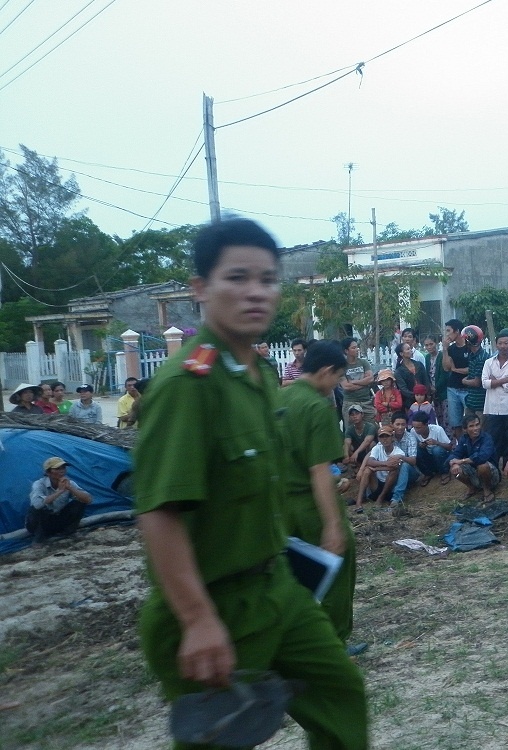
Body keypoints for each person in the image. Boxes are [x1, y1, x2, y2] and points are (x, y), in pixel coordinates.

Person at [132, 217, 367, 750]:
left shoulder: (257, 377)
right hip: (217, 602)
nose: (256, 292)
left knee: (340, 695)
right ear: (200, 288)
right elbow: (159, 512)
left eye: (267, 279)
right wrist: (197, 618)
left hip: (276, 586)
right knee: (220, 740)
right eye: (237, 277)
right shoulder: (187, 385)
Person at [276, 339, 361, 650]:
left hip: (279, 505)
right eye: (338, 377)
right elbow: (319, 471)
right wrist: (333, 525)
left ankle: (296, 641)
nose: (337, 384)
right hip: (311, 505)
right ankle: (334, 644)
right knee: (335, 568)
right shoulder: (316, 407)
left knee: (293, 576)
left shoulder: (278, 399)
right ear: (326, 371)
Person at [482, 328, 508, 470]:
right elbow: (484, 383)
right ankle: (493, 467)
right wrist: (504, 380)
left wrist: (495, 381)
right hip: (493, 407)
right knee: (493, 438)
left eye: (506, 343)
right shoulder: (488, 363)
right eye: (500, 343)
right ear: (496, 344)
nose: (503, 346)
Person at [26, 456, 93, 542]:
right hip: (39, 523)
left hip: (57, 519)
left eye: (63, 468)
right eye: (57, 469)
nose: (62, 471)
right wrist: (59, 491)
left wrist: (70, 488)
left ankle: (69, 532)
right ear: (48, 472)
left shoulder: (68, 483)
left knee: (79, 502)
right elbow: (37, 505)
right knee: (38, 509)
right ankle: (38, 539)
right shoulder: (39, 484)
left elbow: (88, 500)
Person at [448, 413, 500, 502]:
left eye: (477, 425)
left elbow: (482, 457)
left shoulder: (487, 438)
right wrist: (454, 463)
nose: (476, 428)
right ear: (465, 429)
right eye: (471, 426)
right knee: (454, 469)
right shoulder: (464, 439)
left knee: (482, 466)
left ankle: (487, 490)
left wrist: (462, 461)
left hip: (491, 475)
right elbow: (455, 454)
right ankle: (471, 488)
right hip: (474, 472)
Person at [442, 318, 470, 441]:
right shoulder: (451, 348)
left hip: (468, 388)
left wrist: (456, 369)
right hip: (453, 388)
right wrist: (445, 349)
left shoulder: (469, 347)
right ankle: (461, 446)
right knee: (455, 422)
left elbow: (471, 369)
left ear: (457, 331)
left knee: (470, 421)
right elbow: (446, 367)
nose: (447, 334)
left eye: (449, 331)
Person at [387, 411, 420, 510]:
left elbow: (413, 461)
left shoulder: (410, 437)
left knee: (405, 465)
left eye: (403, 424)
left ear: (406, 425)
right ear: (392, 424)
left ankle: (396, 498)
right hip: (393, 470)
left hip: (411, 472)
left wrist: (400, 457)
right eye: (397, 424)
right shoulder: (388, 436)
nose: (400, 427)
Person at [410, 411, 454, 486]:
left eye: (418, 427)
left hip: (442, 458)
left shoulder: (437, 429)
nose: (416, 430)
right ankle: (427, 473)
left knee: (436, 450)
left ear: (426, 424)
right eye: (414, 427)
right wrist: (420, 445)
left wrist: (437, 443)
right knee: (416, 450)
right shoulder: (413, 431)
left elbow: (450, 447)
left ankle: (445, 472)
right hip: (429, 458)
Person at [340, 337, 376, 423]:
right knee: (351, 428)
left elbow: (371, 379)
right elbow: (346, 386)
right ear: (346, 351)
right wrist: (364, 383)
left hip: (366, 402)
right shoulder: (342, 366)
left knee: (371, 427)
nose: (357, 349)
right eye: (353, 348)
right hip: (350, 402)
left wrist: (354, 382)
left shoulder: (364, 362)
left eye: (357, 347)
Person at [461, 325, 489, 420]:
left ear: (468, 341)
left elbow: (477, 382)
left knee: (480, 427)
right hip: (471, 402)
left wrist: (464, 381)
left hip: (479, 404)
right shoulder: (473, 355)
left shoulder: (481, 358)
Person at [394, 341, 431, 409]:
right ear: (401, 353)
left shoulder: (419, 365)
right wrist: (417, 396)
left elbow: (426, 381)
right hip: (409, 403)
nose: (411, 350)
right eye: (408, 349)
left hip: (424, 400)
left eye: (410, 348)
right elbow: (403, 389)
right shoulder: (399, 371)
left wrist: (425, 395)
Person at [343, 404, 377, 469]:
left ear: (362, 415)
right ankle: (359, 466)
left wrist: (356, 452)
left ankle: (369, 465)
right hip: (358, 453)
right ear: (349, 417)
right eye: (352, 415)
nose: (355, 416)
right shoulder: (349, 429)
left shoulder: (370, 426)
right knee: (345, 446)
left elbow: (367, 441)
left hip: (367, 451)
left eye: (357, 413)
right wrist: (346, 456)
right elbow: (347, 442)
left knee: (372, 444)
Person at [425, 335, 448, 426]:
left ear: (437, 343)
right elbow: (427, 374)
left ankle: (448, 435)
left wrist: (436, 387)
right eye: (427, 345)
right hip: (433, 393)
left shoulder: (442, 356)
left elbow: (444, 374)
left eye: (431, 344)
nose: (429, 347)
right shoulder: (427, 357)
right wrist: (430, 387)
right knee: (439, 417)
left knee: (447, 418)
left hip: (443, 391)